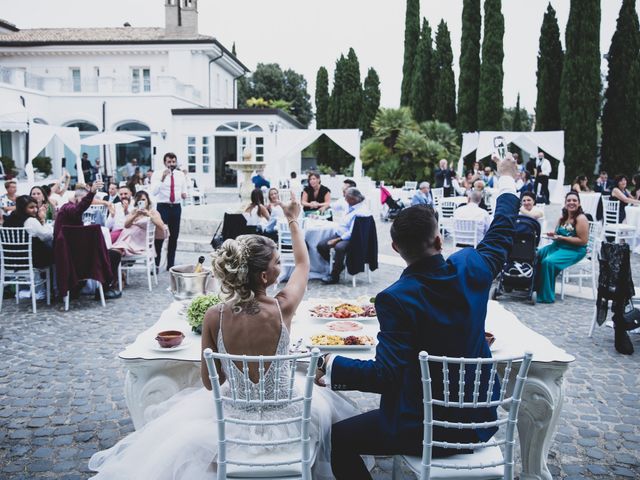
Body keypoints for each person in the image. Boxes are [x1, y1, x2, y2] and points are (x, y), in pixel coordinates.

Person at [88, 201, 358, 480]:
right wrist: (292, 220)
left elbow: (209, 382)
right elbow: (303, 263)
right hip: (285, 421)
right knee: (327, 409)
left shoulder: (214, 315)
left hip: (232, 421)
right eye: (277, 262)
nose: (282, 266)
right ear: (264, 276)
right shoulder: (283, 308)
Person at [317, 155, 521, 479]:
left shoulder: (396, 298)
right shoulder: (471, 266)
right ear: (439, 240)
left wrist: (331, 364)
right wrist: (507, 179)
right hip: (479, 421)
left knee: (334, 439)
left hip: (420, 429)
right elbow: (502, 231)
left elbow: (385, 375)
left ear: (395, 248)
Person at [54, 181, 122, 299]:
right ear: (77, 198)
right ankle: (104, 289)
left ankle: (83, 286)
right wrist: (91, 193)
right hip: (74, 257)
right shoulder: (68, 208)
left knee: (108, 252)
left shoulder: (68, 210)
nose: (88, 204)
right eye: (86, 200)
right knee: (114, 254)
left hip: (71, 255)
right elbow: (78, 210)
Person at [536, 191, 589, 303]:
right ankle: (535, 286)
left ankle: (546, 296)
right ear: (565, 203)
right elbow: (557, 234)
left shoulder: (581, 218)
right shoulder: (563, 218)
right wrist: (553, 235)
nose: (571, 202)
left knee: (548, 262)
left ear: (579, 203)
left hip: (575, 250)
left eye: (574, 200)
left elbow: (583, 241)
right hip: (558, 245)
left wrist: (562, 238)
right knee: (537, 254)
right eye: (569, 200)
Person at [317, 188, 370, 284]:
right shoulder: (350, 204)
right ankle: (339, 265)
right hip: (340, 233)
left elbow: (352, 232)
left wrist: (337, 240)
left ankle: (334, 275)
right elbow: (335, 205)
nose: (345, 200)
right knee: (321, 245)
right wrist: (326, 206)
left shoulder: (361, 211)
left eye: (346, 198)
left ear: (354, 199)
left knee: (339, 247)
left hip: (352, 238)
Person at [151, 152, 187, 270]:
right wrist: (163, 178)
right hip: (163, 207)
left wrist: (184, 193)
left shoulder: (180, 174)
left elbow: (184, 187)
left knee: (174, 236)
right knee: (160, 236)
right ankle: (156, 264)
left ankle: (170, 264)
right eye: (169, 162)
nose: (171, 164)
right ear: (164, 163)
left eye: (173, 162)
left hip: (176, 207)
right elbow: (154, 192)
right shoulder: (157, 174)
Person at [4, 195, 53, 268]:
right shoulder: (30, 220)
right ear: (23, 208)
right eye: (31, 207)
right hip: (31, 260)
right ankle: (56, 278)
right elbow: (47, 236)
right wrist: (43, 221)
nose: (35, 210)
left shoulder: (9, 219)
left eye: (36, 207)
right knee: (57, 250)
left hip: (10, 260)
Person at [112, 191, 166, 257]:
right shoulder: (134, 211)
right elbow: (126, 225)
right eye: (139, 200)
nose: (142, 202)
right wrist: (135, 215)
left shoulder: (153, 212)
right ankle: (118, 257)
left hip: (141, 240)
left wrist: (148, 214)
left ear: (148, 200)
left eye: (143, 199)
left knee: (118, 249)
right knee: (116, 249)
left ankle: (120, 255)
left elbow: (161, 225)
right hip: (129, 237)